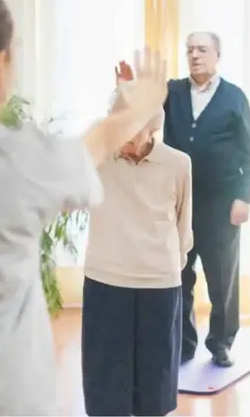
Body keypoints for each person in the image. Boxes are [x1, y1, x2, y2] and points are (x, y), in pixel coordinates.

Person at [0, 0, 168, 414]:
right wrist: (144, 102)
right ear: (0, 66)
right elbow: (97, 143)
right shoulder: (12, 159)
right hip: (2, 397)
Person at [117, 31, 250, 367]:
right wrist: (127, 92)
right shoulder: (174, 91)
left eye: (202, 49)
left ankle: (221, 342)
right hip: (177, 202)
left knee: (222, 277)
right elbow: (142, 113)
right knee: (178, 274)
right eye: (190, 50)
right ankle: (183, 343)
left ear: (217, 55)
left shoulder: (234, 97)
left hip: (221, 204)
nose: (195, 55)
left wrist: (244, 198)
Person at [80, 89, 193, 416]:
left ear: (153, 126)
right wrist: (121, 104)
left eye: (135, 124)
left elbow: (183, 229)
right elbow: (75, 150)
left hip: (159, 285)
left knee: (155, 391)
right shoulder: (97, 157)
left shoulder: (178, 163)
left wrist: (165, 265)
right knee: (105, 390)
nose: (126, 135)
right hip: (105, 281)